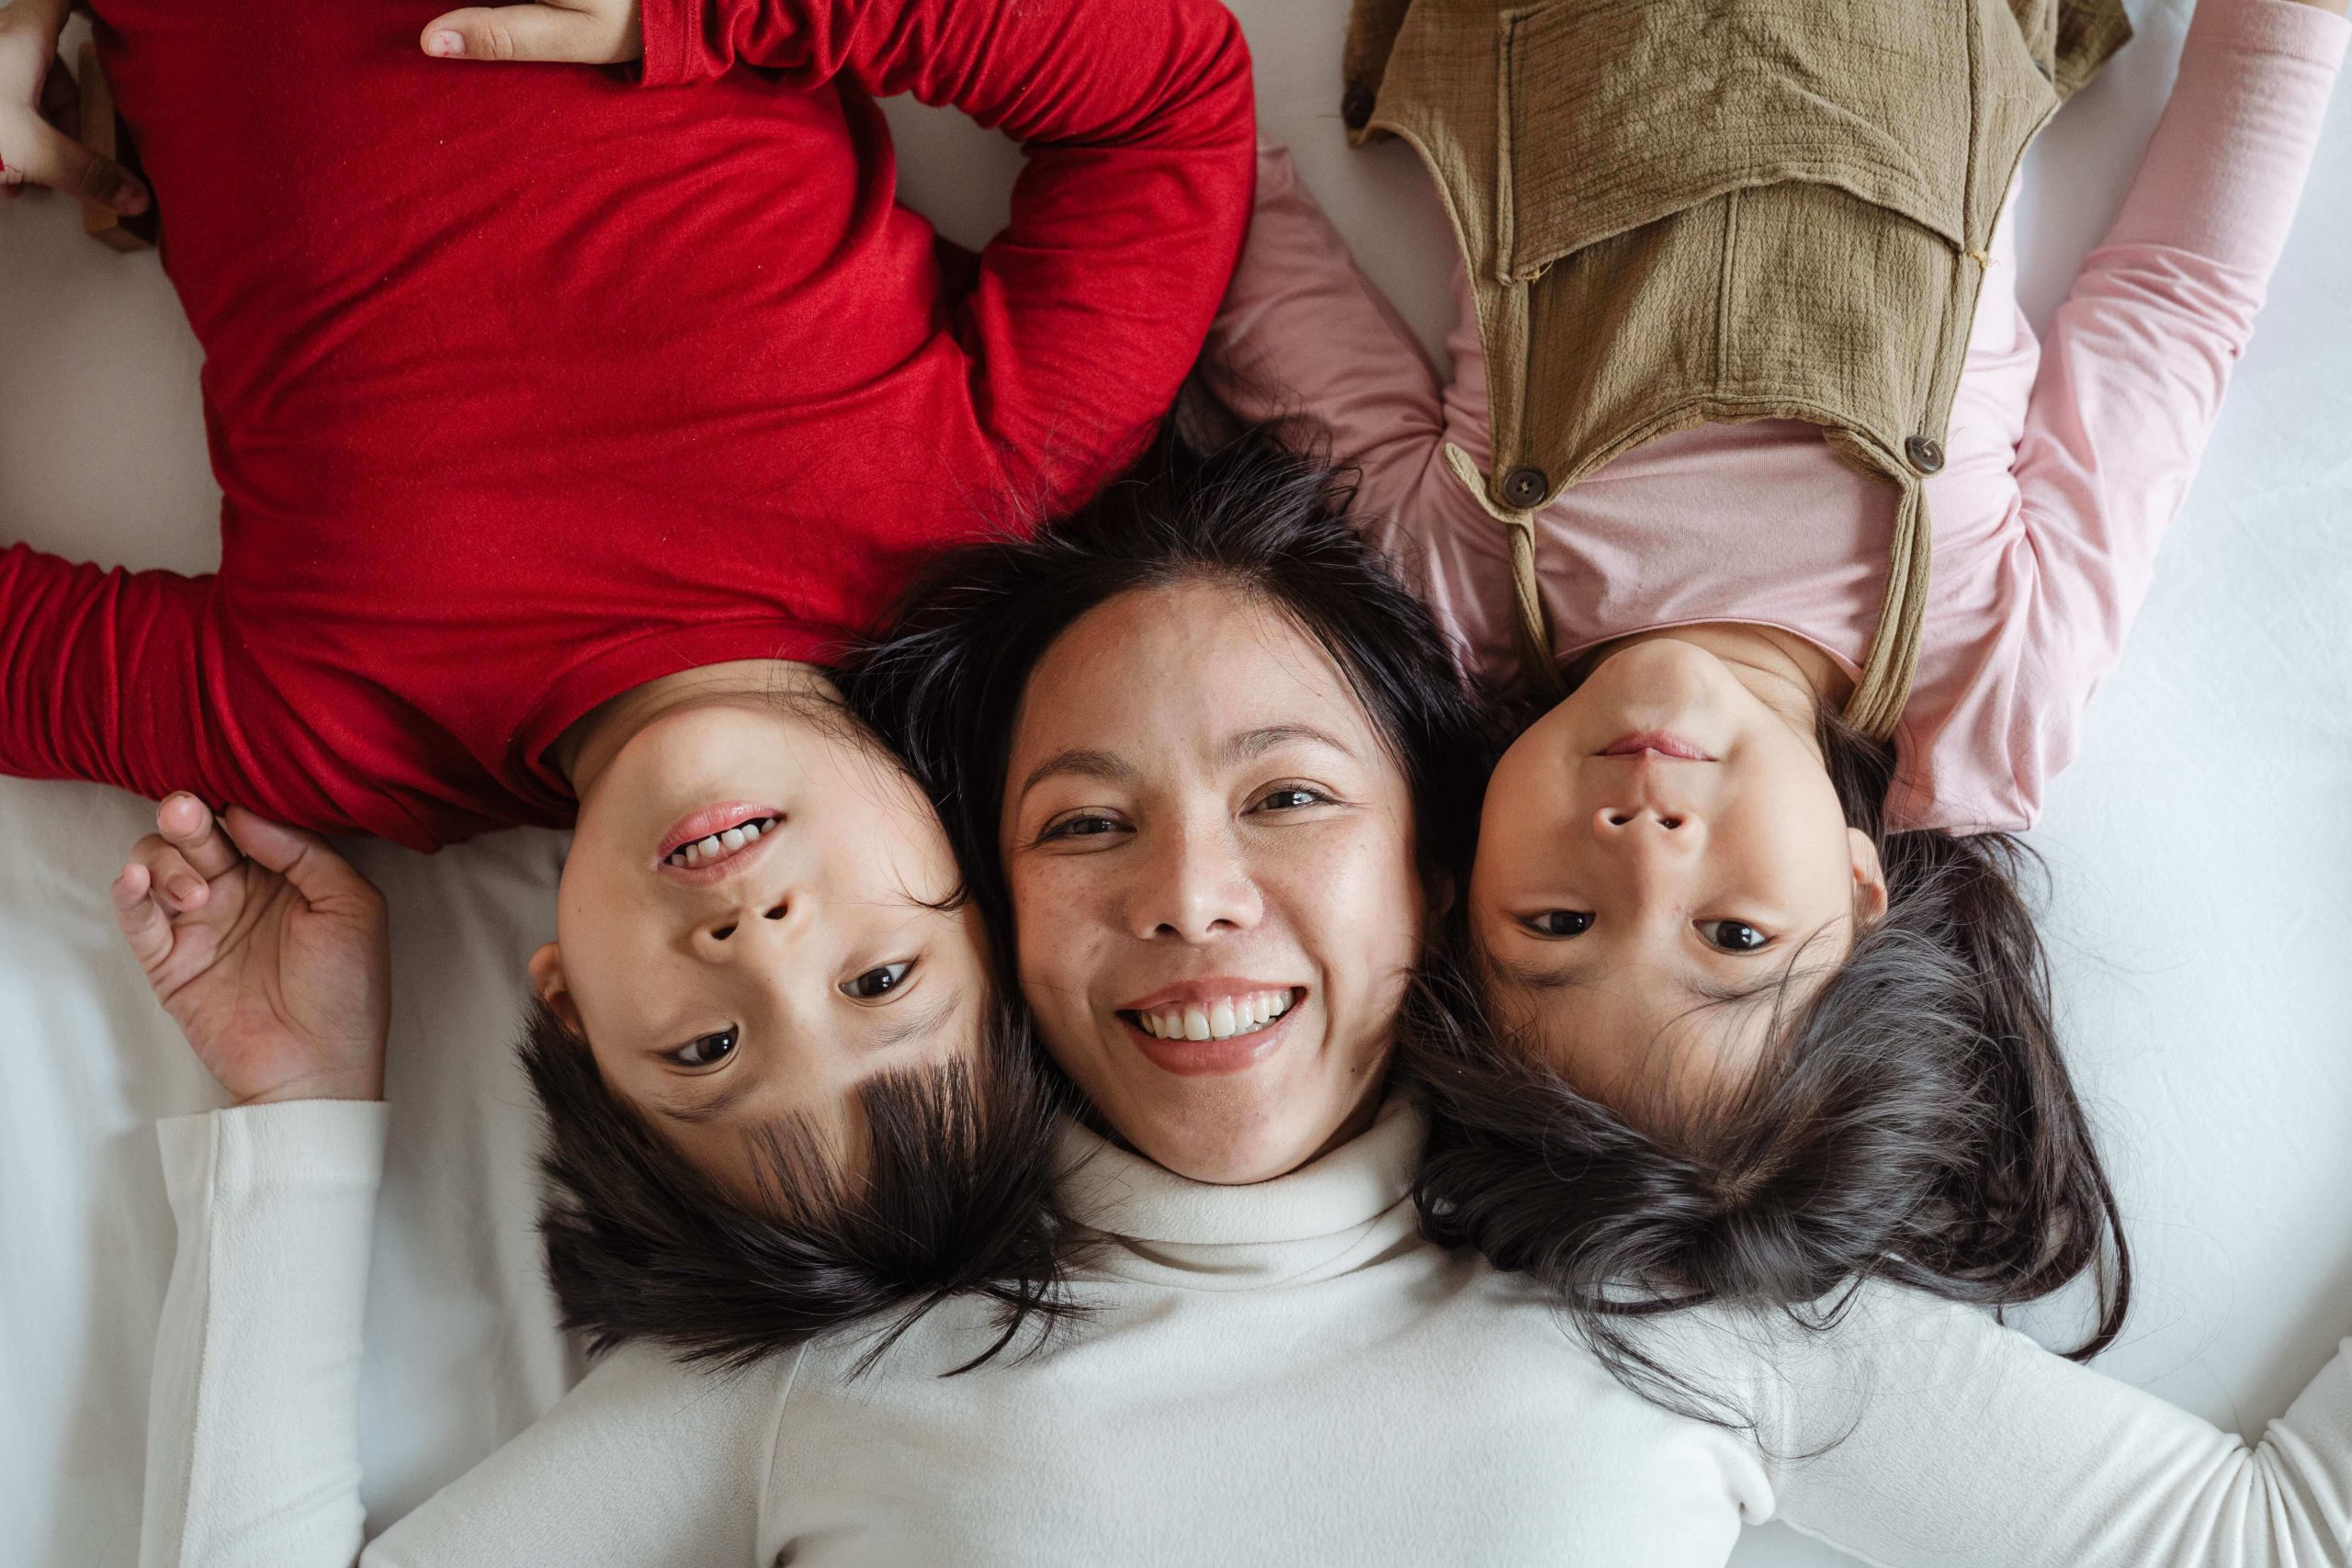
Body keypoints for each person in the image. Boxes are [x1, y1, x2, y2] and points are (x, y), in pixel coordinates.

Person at [129, 439, 2352, 1567]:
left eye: (1287, 796)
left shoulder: (1675, 1296)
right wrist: (296, 1106)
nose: (1193, 900)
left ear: (1439, 853)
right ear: (986, 912)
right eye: (1083, 828)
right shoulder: (836, 1364)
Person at [0, 0, 1255, 1348]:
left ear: (569, 1009)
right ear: (982, 884)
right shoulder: (982, 496)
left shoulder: (344, 733)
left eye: (703, 1052)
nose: (762, 948)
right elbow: (1171, 103)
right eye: (881, 984)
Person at [1205, 0, 2346, 1345]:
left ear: (1454, 893)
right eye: (1732, 937)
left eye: (1556, 926)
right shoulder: (1986, 675)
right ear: (1862, 893)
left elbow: (1233, 239)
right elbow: (2175, 298)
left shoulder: (1457, 595)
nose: (1642, 850)